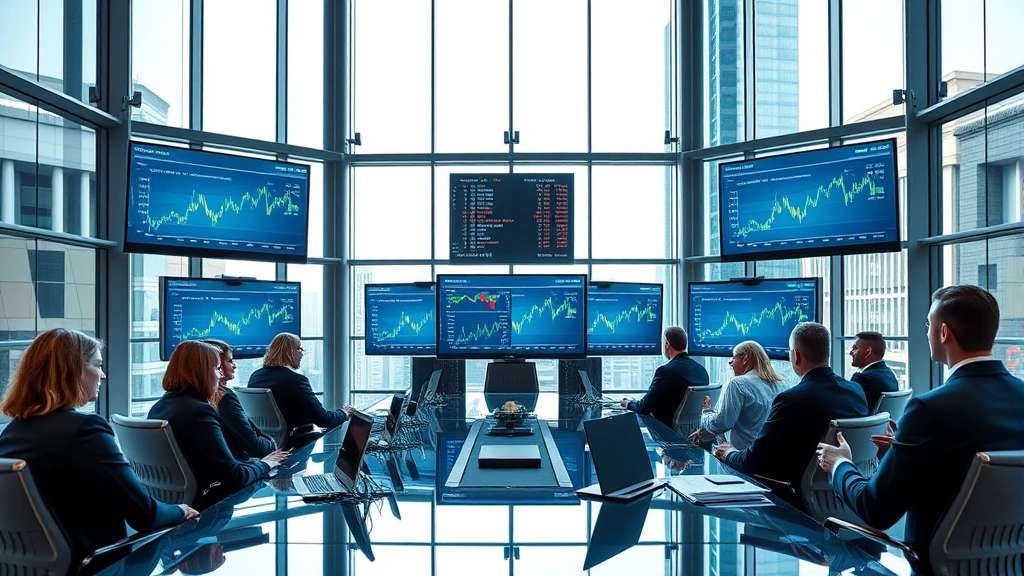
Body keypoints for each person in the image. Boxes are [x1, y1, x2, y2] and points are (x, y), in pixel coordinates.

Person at [817, 285, 1024, 566]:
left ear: (943, 332)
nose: (926, 332)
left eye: (928, 324)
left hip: (932, 567)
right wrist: (902, 453)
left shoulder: (929, 409)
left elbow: (875, 510)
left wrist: (840, 464)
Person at [0, 328, 198, 566]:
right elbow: (145, 514)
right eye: (97, 365)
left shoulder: (12, 432)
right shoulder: (84, 430)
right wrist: (181, 510)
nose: (103, 375)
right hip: (99, 564)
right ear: (71, 371)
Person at [713, 322, 868, 509]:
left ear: (796, 355)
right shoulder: (856, 391)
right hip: (846, 496)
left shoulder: (791, 400)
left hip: (793, 505)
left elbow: (754, 463)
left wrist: (728, 452)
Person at [149, 341, 289, 509]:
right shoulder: (200, 412)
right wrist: (266, 463)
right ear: (202, 372)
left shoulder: (159, 407)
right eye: (217, 368)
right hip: (206, 510)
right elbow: (235, 476)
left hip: (170, 506)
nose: (220, 375)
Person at [247, 333, 354, 437]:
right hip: (295, 442)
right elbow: (324, 420)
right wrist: (344, 413)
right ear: (290, 352)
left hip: (264, 442)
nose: (302, 353)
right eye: (299, 348)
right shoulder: (296, 380)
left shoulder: (255, 377)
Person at [689, 340, 787, 450]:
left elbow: (722, 423)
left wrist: (706, 412)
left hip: (743, 457)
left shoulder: (738, 383)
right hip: (769, 452)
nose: (730, 363)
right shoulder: (782, 384)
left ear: (746, 357)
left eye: (734, 357)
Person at [620, 326, 710, 428]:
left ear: (667, 344)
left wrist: (627, 403)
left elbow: (643, 407)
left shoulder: (666, 371)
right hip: (693, 433)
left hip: (666, 433)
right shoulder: (702, 371)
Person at [202, 339, 276, 460]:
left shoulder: (179, 399)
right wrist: (272, 445)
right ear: (216, 364)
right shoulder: (222, 396)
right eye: (230, 360)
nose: (234, 365)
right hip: (237, 466)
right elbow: (253, 445)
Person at [848, 331, 899, 411]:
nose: (850, 353)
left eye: (855, 348)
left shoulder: (863, 379)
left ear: (868, 352)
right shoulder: (890, 374)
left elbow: (848, 409)